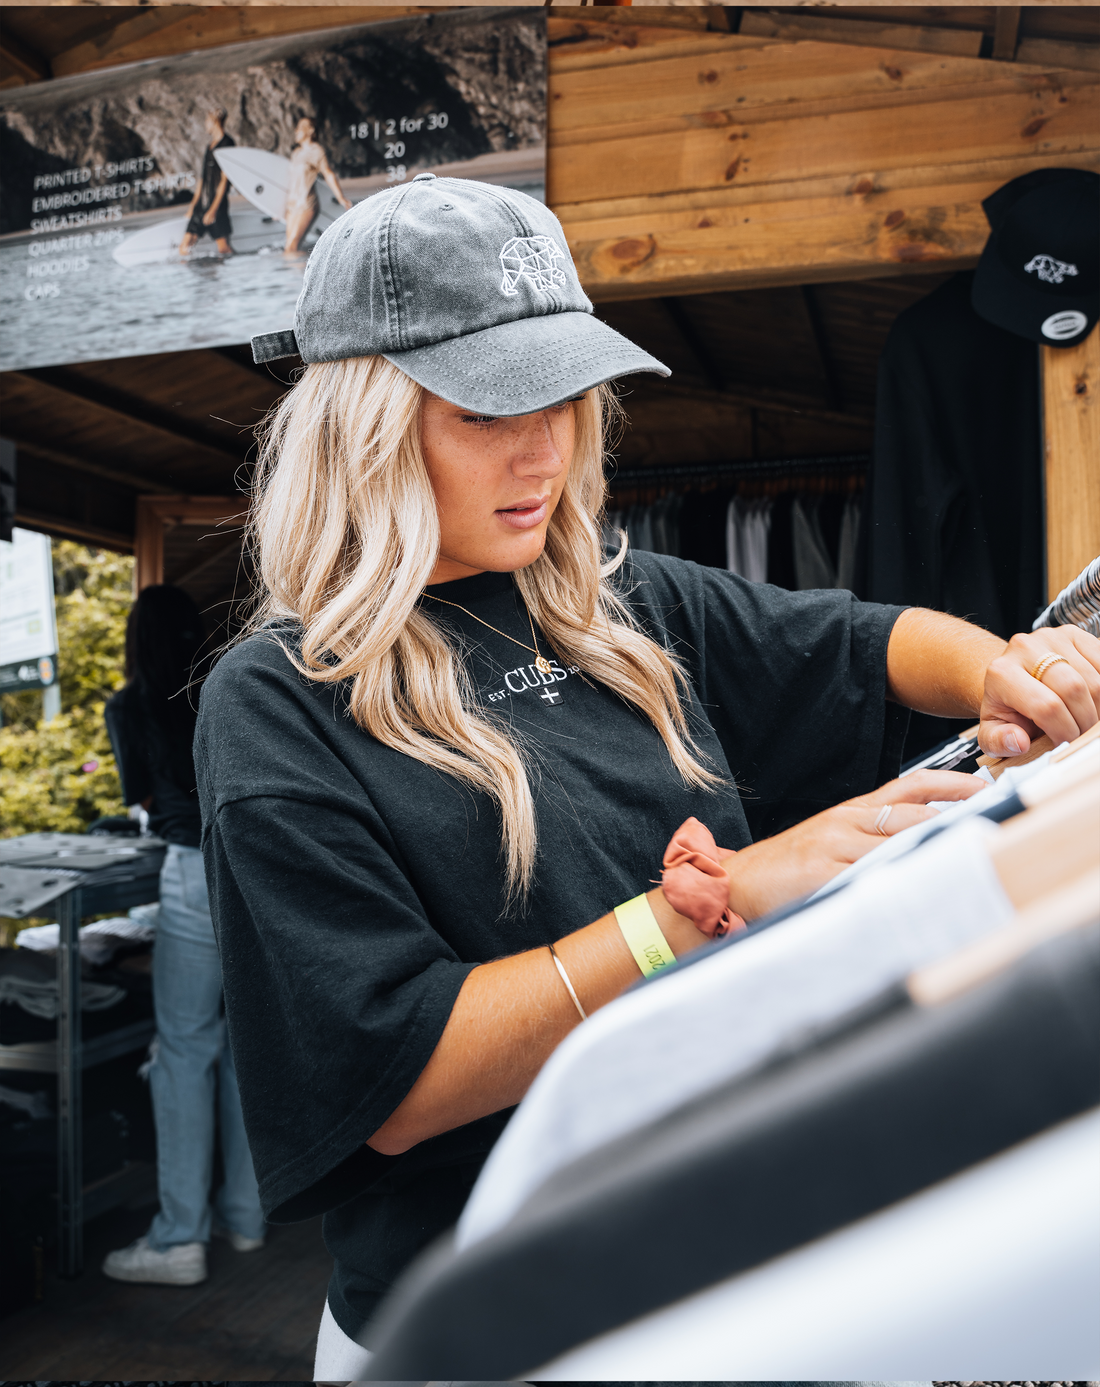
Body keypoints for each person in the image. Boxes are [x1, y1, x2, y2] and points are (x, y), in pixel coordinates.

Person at [194, 174, 1100, 1374]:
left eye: (565, 396)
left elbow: (867, 642)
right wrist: (706, 906)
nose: (543, 447)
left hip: (704, 1256)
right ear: (361, 424)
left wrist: (1003, 669)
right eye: (484, 410)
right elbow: (389, 1076)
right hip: (474, 1320)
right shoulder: (275, 701)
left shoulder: (622, 607)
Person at [102, 585, 265, 1286]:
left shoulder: (130, 702)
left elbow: (141, 796)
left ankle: (178, 1238)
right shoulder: (226, 681)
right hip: (255, 872)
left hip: (191, 871)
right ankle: (249, 1214)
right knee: (242, 1048)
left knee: (183, 1051)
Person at [283, 116, 352, 254]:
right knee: (288, 248)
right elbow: (291, 182)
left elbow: (328, 174)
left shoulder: (316, 151)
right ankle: (300, 270)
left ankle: (306, 273)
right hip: (292, 205)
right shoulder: (296, 153)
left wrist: (341, 198)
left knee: (292, 247)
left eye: (301, 127)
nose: (296, 130)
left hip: (306, 204)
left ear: (310, 130)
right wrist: (282, 206)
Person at [179, 109, 234, 258]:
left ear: (214, 122)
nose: (205, 125)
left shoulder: (227, 143)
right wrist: (192, 207)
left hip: (216, 205)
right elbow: (202, 180)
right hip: (200, 206)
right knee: (184, 247)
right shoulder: (209, 147)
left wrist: (214, 209)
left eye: (206, 121)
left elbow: (225, 180)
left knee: (224, 248)